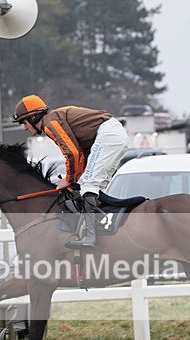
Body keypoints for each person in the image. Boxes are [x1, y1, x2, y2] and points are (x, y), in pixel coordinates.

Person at [13, 94, 128, 248]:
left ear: (33, 117)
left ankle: (90, 236)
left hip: (108, 135)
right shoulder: (54, 119)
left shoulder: (50, 123)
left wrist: (68, 179)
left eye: (24, 122)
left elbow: (72, 153)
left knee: (89, 186)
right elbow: (80, 154)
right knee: (93, 187)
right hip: (113, 134)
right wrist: (76, 180)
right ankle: (100, 230)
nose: (25, 128)